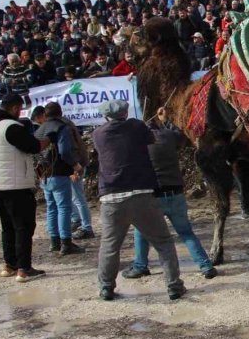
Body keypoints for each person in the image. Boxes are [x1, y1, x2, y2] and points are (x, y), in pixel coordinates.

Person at [92, 99, 186, 301]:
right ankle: (174, 286)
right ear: (126, 113)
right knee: (163, 242)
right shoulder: (136, 125)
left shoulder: (98, 134)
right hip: (142, 194)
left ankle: (106, 287)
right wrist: (162, 120)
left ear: (106, 116)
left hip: (111, 197)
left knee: (110, 246)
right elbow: (151, 138)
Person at [122, 108, 218, 280]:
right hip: (175, 192)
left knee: (141, 231)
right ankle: (205, 265)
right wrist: (166, 120)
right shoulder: (167, 137)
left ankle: (140, 265)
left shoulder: (139, 144)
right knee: (186, 232)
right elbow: (180, 136)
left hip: (152, 195)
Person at [0, 94, 47, 282]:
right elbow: (33, 146)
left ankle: (10, 265)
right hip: (14, 184)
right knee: (23, 226)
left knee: (7, 226)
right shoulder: (12, 127)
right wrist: (48, 139)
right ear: (16, 108)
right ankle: (23, 269)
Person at [34, 102, 85, 256]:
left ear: (45, 114)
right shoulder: (61, 127)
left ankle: (54, 242)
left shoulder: (39, 130)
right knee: (64, 208)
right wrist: (75, 165)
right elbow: (65, 151)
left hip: (44, 174)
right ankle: (66, 243)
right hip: (59, 171)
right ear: (60, 113)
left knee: (51, 208)